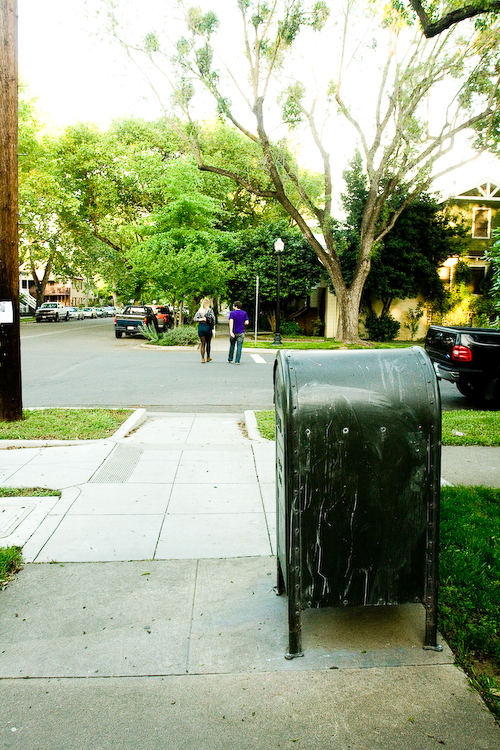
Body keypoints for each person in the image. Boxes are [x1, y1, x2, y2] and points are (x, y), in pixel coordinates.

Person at [193, 298, 215, 363]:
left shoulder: (199, 311)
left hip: (201, 327)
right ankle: (208, 357)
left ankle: (202, 358)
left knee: (202, 344)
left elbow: (194, 319)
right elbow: (213, 319)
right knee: (208, 343)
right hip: (207, 327)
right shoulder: (210, 311)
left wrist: (200, 319)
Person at [228, 301, 249, 365]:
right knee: (239, 346)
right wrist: (242, 323)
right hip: (241, 332)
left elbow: (231, 322)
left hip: (234, 331)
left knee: (232, 345)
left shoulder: (232, 313)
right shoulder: (244, 313)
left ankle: (230, 359)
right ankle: (237, 361)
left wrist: (231, 331)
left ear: (235, 306)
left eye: (233, 305)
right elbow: (247, 322)